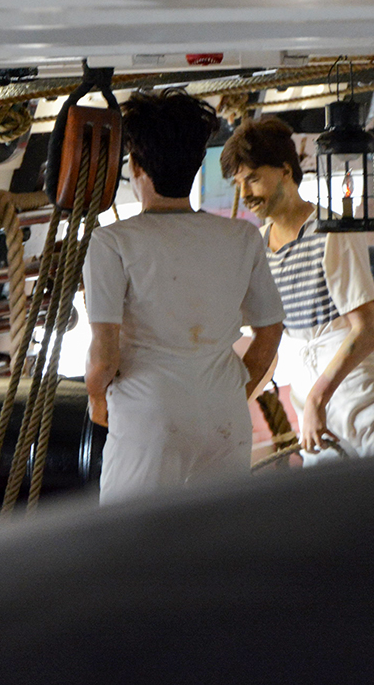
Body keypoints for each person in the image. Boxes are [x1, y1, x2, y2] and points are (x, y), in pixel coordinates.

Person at [83, 90, 285, 503]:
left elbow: (103, 357)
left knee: (133, 546)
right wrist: (234, 390)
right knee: (215, 543)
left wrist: (96, 399)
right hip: (223, 413)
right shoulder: (242, 236)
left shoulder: (111, 242)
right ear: (196, 164)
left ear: (135, 165)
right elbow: (270, 332)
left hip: (148, 415)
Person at [222, 117, 374, 464]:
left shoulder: (331, 232)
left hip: (366, 403)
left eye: (252, 178)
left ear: (285, 170)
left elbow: (367, 332)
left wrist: (316, 400)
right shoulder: (258, 250)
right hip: (313, 413)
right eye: (239, 184)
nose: (245, 194)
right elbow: (266, 343)